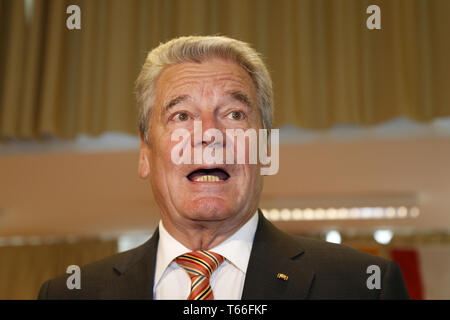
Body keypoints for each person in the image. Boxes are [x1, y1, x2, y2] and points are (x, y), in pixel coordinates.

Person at [38, 36, 409, 300]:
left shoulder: (361, 287)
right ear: (144, 152)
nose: (209, 134)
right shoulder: (70, 294)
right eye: (181, 115)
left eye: (234, 114)